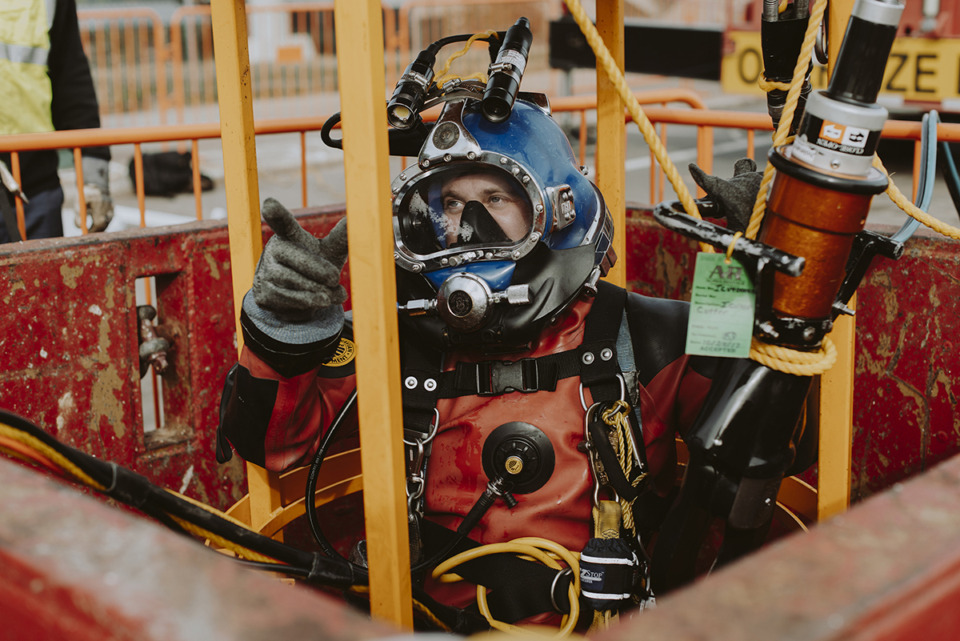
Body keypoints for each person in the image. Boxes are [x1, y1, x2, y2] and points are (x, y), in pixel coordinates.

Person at [216, 90, 728, 630]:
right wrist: (285, 332)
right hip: (429, 620)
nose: (470, 226)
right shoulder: (398, 338)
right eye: (453, 205)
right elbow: (270, 445)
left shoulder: (647, 337)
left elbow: (772, 439)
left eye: (497, 199)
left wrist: (759, 286)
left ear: (558, 209)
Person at [0, 0, 112, 243]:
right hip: (32, 189)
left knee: (41, 280)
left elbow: (70, 75)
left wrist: (94, 174)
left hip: (33, 189)